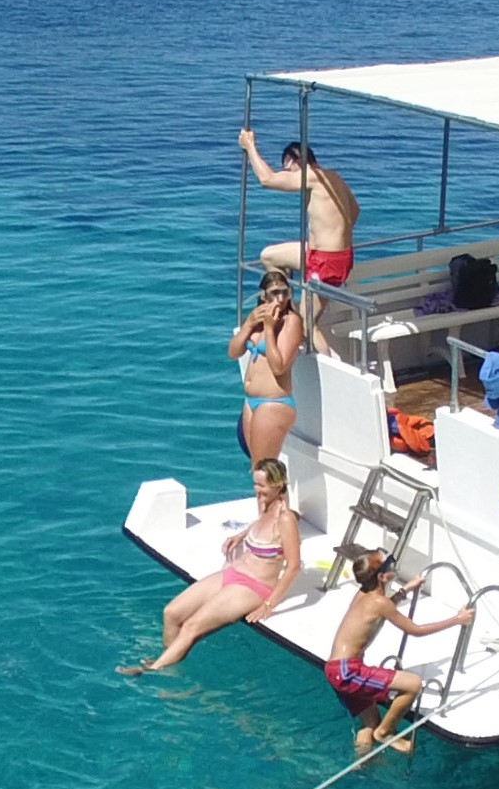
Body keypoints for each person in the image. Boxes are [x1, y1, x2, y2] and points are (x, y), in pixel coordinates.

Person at [121, 459, 303, 675]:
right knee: (171, 613)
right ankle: (169, 661)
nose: (257, 490)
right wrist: (241, 535)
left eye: (262, 485)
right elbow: (261, 527)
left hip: (255, 586)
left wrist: (269, 605)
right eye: (255, 484)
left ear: (278, 485)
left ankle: (149, 670)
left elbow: (293, 566)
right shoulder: (265, 505)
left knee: (191, 627)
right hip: (234, 573)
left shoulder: (286, 519)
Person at [323, 549, 472, 755]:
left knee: (370, 722)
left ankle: (362, 765)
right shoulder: (380, 602)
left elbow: (383, 607)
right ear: (382, 576)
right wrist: (457, 619)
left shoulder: (364, 594)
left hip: (336, 669)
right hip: (348, 671)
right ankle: (386, 732)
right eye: (390, 564)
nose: (394, 566)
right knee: (413, 685)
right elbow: (416, 630)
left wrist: (406, 589)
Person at [242, 128, 359, 352]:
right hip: (331, 255)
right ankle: (286, 308)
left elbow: (267, 179)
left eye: (289, 170)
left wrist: (250, 147)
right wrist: (333, 237)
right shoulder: (332, 176)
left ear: (297, 161)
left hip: (326, 261)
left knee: (307, 324)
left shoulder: (312, 176)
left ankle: (329, 365)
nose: (289, 175)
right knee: (269, 256)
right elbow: (354, 211)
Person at [230, 267, 304, 465]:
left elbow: (279, 366)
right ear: (263, 296)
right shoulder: (256, 320)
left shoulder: (291, 322)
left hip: (273, 402)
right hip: (251, 401)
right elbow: (233, 352)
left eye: (285, 293)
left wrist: (270, 329)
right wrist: (249, 324)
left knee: (265, 469)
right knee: (257, 469)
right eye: (274, 293)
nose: (280, 299)